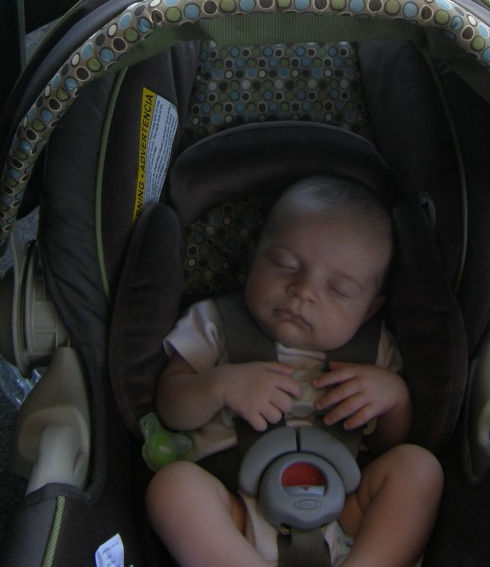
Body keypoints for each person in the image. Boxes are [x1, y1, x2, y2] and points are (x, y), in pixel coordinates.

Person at [147, 175, 443, 567]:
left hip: (344, 514)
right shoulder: (217, 323)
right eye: (285, 265)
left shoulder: (374, 349)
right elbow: (169, 406)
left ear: (370, 308)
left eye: (338, 289)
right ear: (253, 257)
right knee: (172, 488)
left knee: (419, 468)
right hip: (236, 514)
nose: (303, 290)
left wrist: (393, 399)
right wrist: (219, 387)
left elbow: (390, 445)